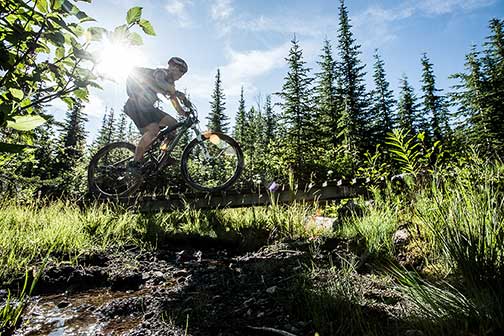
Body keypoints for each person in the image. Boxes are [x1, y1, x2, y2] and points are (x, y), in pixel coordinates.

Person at [123, 57, 189, 171]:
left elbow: (173, 100)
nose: (181, 75)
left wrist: (184, 112)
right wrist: (176, 92)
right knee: (153, 131)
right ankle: (135, 163)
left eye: (183, 73)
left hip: (146, 108)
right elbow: (160, 82)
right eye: (181, 71)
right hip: (136, 105)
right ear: (173, 67)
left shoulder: (170, 83)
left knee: (173, 124)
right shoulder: (161, 72)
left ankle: (163, 155)